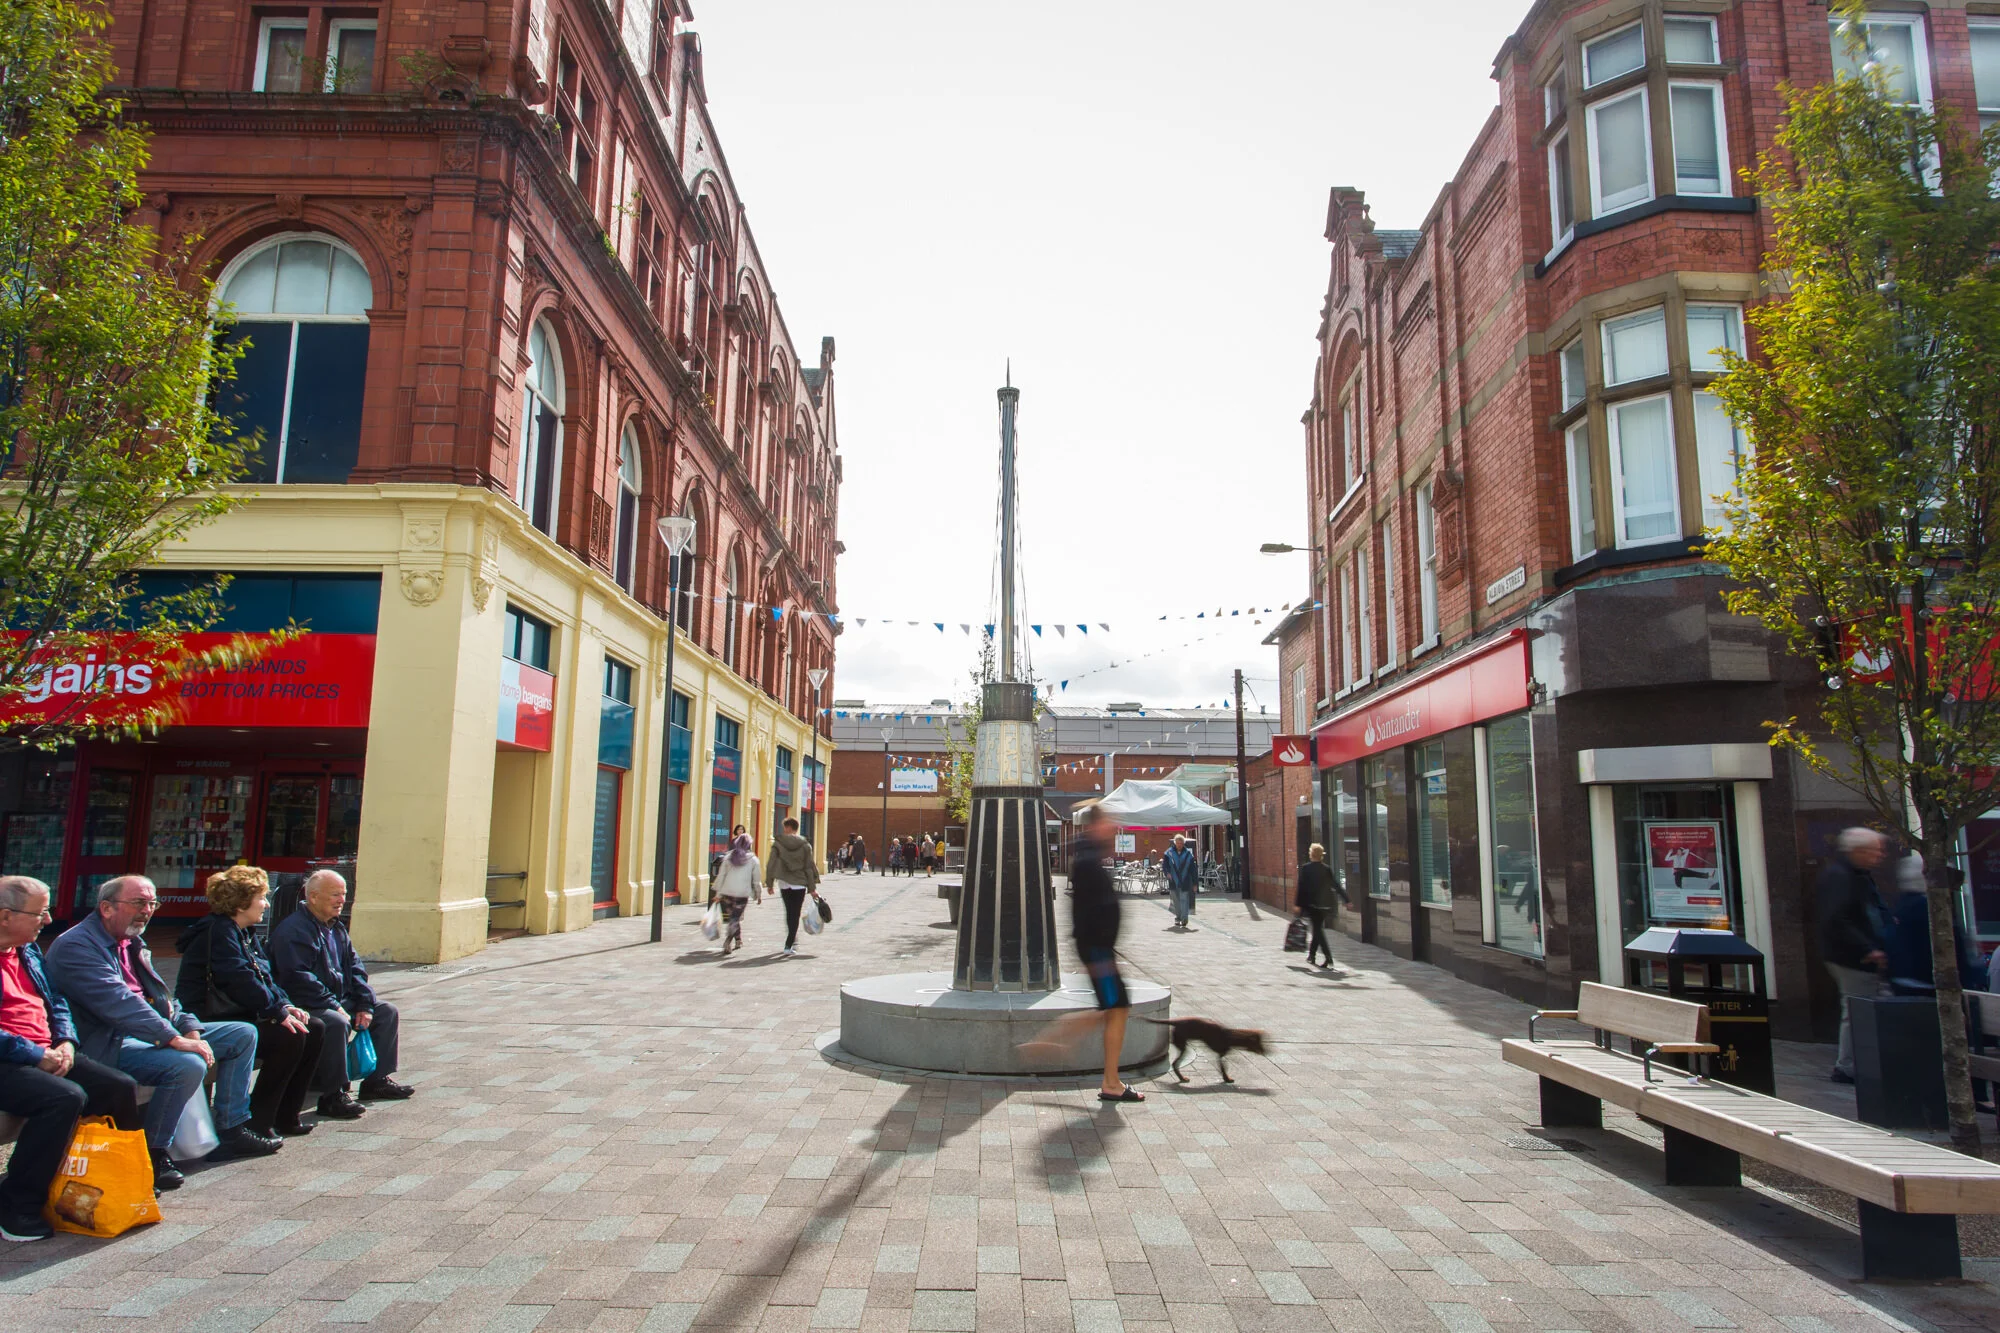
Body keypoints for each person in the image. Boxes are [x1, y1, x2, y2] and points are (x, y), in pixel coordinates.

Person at [46, 874, 271, 1192]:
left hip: (146, 1032)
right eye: (139, 902)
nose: (147, 910)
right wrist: (173, 1038)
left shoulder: (131, 942)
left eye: (153, 903)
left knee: (241, 1034)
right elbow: (120, 1004)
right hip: (108, 1041)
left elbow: (162, 998)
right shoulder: (76, 946)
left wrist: (189, 1028)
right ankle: (153, 1153)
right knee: (186, 1065)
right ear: (107, 908)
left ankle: (231, 1129)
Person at [0, 877, 139, 1242]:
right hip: (9, 1060)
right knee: (63, 1097)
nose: (48, 920)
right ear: (5, 916)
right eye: (40, 912)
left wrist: (65, 1041)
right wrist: (36, 1054)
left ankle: (111, 1184)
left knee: (118, 1087)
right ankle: (16, 1204)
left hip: (45, 1051)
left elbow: (56, 1001)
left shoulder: (28, 951)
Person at [176, 866, 327, 1140]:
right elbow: (240, 981)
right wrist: (276, 1012)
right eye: (261, 898)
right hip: (212, 1019)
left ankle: (286, 1115)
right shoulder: (219, 931)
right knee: (289, 1036)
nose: (266, 904)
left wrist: (285, 1005)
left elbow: (265, 977)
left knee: (313, 1027)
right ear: (241, 902)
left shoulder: (244, 932)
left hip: (242, 1014)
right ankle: (259, 1120)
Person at [1017, 805, 1142, 1103]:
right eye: (1108, 823)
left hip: (1100, 950)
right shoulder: (1087, 862)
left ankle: (1059, 1046)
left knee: (1113, 1008)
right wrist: (1096, 957)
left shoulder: (1090, 857)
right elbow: (1083, 912)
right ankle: (1060, 1048)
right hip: (1098, 951)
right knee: (1115, 1007)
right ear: (1096, 825)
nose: (1113, 828)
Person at [270, 870, 412, 1118]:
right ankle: (333, 1094)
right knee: (335, 1022)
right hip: (305, 1003)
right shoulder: (293, 930)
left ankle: (376, 1081)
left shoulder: (337, 929)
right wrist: (334, 1005)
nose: (341, 900)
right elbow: (298, 978)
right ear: (313, 897)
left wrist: (365, 1004)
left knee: (386, 1012)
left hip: (338, 999)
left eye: (343, 894)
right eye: (335, 894)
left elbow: (356, 969)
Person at [1816, 827, 1890, 1085]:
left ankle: (1853, 1063)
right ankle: (1848, 1066)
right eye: (1874, 851)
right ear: (1858, 851)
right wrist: (1867, 948)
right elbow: (1837, 918)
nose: (1879, 856)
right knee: (1857, 1009)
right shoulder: (1842, 876)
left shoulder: (1855, 875)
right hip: (1852, 958)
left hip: (1851, 954)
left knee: (1857, 1008)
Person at [765, 818, 821, 957]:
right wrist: (812, 888)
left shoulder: (778, 844)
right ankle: (790, 943)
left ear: (788, 828)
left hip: (784, 882)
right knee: (795, 913)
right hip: (799, 883)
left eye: (785, 827)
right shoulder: (805, 845)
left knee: (789, 912)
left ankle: (791, 940)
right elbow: (809, 867)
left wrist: (770, 883)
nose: (784, 830)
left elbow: (771, 864)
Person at [1295, 843, 1348, 968]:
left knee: (1318, 931)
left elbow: (1301, 888)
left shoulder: (1306, 869)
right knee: (1317, 928)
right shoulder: (1326, 868)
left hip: (1313, 905)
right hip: (1326, 905)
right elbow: (1335, 884)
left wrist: (1298, 905)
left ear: (1311, 854)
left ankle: (1328, 957)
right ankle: (1312, 955)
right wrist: (1346, 899)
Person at [712, 833, 761, 954]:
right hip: (742, 894)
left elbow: (721, 876)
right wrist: (758, 895)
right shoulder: (753, 860)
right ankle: (728, 941)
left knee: (733, 918)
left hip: (727, 893)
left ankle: (738, 940)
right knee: (735, 918)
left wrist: (718, 894)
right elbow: (756, 880)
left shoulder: (728, 857)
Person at [1162, 834, 1199, 931]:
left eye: (1181, 843)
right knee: (1176, 901)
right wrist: (1167, 873)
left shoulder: (1188, 854)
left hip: (1185, 881)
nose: (1179, 845)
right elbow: (1165, 865)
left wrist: (1195, 883)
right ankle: (1178, 918)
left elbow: (1193, 870)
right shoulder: (1168, 853)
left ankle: (1184, 919)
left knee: (1184, 900)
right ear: (1175, 843)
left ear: (1183, 844)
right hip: (1173, 881)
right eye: (1178, 843)